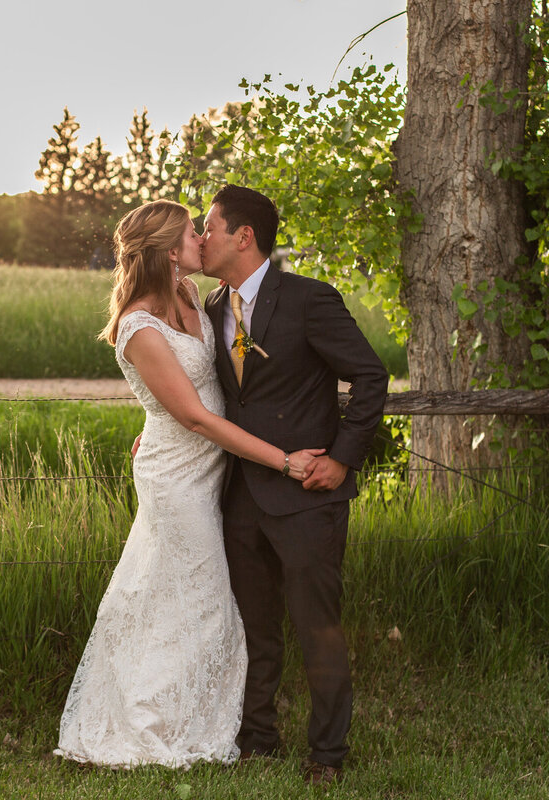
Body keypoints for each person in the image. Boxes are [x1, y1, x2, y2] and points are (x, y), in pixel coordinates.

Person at [54, 200, 324, 768]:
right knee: (203, 597)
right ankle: (159, 722)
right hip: (176, 475)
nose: (204, 238)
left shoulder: (193, 298)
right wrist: (286, 460)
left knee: (170, 591)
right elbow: (196, 416)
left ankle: (183, 708)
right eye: (192, 233)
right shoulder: (137, 325)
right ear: (170, 253)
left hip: (212, 467)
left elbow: (201, 385)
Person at [199, 185, 389, 785]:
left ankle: (327, 754)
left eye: (210, 228)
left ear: (243, 236)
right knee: (255, 627)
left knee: (318, 627)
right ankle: (258, 738)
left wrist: (343, 459)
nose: (201, 240)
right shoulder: (211, 309)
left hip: (308, 495)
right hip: (241, 497)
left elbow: (370, 375)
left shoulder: (309, 300)